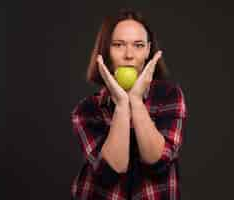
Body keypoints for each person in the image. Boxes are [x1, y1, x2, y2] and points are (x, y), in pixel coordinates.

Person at [70, 8, 188, 200]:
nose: (129, 55)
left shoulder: (169, 96)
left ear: (149, 51)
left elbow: (157, 163)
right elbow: (111, 171)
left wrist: (135, 100)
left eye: (138, 45)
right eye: (118, 45)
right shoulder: (86, 110)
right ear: (105, 51)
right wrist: (123, 105)